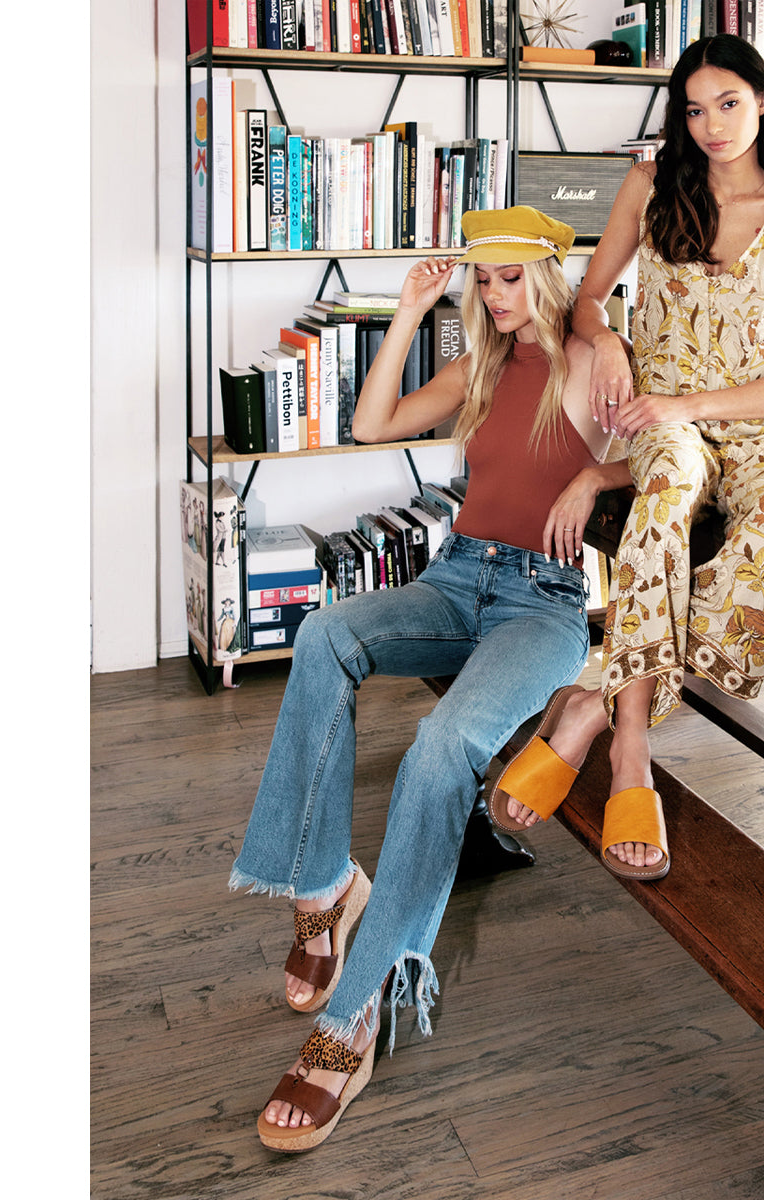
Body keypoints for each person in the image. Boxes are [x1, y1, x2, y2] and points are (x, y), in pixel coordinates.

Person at [229, 205, 622, 1153]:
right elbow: (371, 423)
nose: (494, 294)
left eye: (510, 277)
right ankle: (325, 888)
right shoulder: (482, 364)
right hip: (456, 579)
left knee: (443, 746)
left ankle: (353, 1017)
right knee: (325, 635)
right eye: (482, 279)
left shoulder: (592, 359)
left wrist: (594, 481)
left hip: (543, 605)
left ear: (547, 274)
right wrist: (410, 309)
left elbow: (659, 457)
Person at [488, 34, 764, 883]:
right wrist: (608, 342)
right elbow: (586, 301)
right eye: (695, 109)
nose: (713, 125)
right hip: (662, 424)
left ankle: (594, 704)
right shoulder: (651, 186)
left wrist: (694, 405)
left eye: (729, 103)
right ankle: (631, 750)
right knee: (668, 488)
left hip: (763, 427)